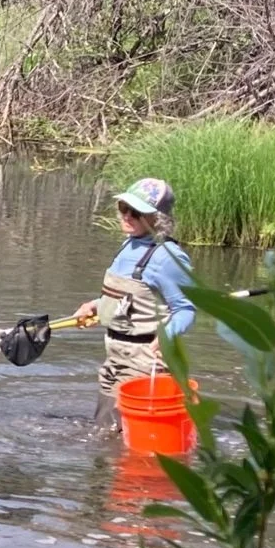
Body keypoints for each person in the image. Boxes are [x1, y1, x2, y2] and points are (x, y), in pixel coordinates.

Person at [72, 177, 194, 420]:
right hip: (114, 356)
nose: (127, 216)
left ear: (157, 218)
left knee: (122, 433)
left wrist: (167, 336)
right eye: (124, 208)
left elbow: (185, 309)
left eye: (136, 212)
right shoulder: (128, 245)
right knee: (103, 428)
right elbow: (126, 298)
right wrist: (96, 306)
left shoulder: (168, 257)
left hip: (145, 360)